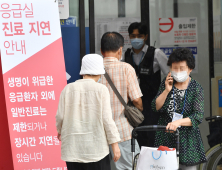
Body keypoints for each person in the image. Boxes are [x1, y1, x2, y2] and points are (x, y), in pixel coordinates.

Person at [56, 54, 121, 170]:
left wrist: (60, 131)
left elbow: (60, 116)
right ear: (100, 72)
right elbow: (107, 120)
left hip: (72, 150)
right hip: (97, 150)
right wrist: (115, 145)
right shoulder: (101, 90)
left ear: (83, 71)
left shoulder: (67, 89)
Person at [151, 48, 207, 170]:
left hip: (188, 142)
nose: (178, 71)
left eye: (182, 68)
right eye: (174, 68)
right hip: (165, 139)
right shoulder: (166, 83)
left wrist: (178, 122)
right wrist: (166, 90)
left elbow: (197, 116)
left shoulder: (196, 88)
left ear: (190, 69)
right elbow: (155, 107)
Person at [122, 22, 169, 148]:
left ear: (146, 36)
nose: (136, 39)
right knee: (136, 137)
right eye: (133, 36)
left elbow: (169, 74)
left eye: (139, 35)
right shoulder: (126, 55)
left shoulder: (156, 53)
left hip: (152, 103)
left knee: (152, 136)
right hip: (134, 104)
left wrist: (164, 93)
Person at [100, 32, 143, 170]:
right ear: (120, 50)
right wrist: (140, 108)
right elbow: (136, 100)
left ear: (101, 51)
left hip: (99, 132)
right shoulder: (126, 68)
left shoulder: (93, 70)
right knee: (130, 167)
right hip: (122, 131)